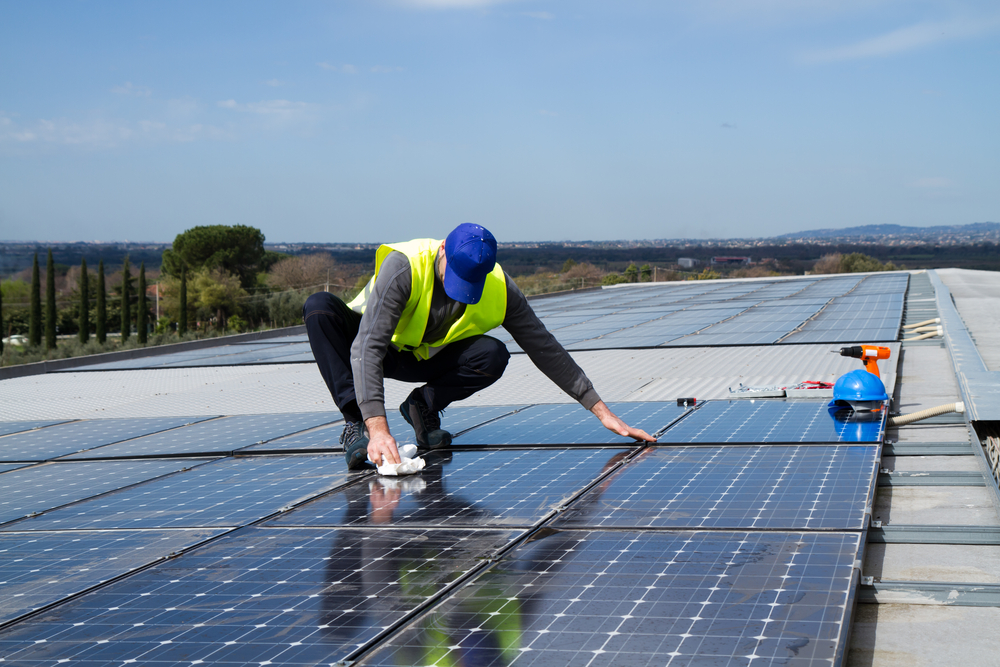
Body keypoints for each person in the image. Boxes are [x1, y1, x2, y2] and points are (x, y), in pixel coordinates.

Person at [303, 223, 655, 470]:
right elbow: (368, 346)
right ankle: (355, 425)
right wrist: (377, 427)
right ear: (443, 248)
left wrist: (602, 412)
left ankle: (423, 406)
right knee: (319, 309)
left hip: (429, 359)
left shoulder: (499, 286)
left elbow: (545, 348)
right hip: (380, 352)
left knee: (493, 353)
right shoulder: (405, 267)